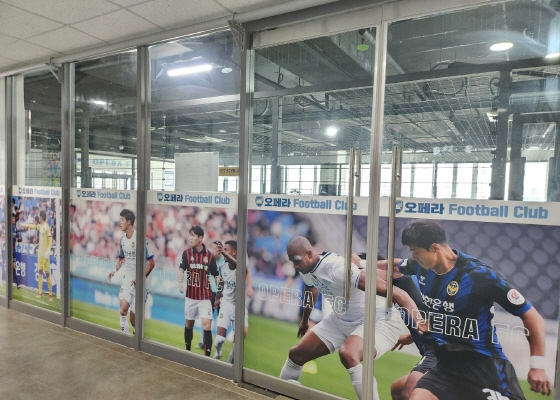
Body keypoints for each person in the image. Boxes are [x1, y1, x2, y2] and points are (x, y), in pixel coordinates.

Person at [380, 219, 551, 400]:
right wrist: (362, 264)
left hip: (483, 366)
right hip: (447, 366)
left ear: (435, 247)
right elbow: (396, 265)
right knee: (411, 395)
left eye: (415, 252)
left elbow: (531, 315)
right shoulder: (421, 267)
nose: (413, 257)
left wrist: (537, 365)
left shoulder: (480, 276)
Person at [279, 236, 420, 400]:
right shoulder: (306, 268)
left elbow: (396, 292)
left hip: (378, 321)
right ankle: (280, 394)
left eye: (296, 261)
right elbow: (312, 290)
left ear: (309, 254)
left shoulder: (338, 269)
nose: (295, 266)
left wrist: (419, 320)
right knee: (296, 354)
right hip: (340, 320)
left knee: (348, 353)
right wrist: (305, 320)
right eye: (292, 262)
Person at [108, 209, 155, 334]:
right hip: (128, 278)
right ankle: (124, 338)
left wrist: (141, 278)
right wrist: (114, 270)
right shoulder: (122, 240)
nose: (120, 222)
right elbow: (121, 258)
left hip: (141, 282)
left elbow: (151, 263)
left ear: (129, 222)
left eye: (122, 220)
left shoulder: (140, 239)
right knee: (123, 310)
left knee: (134, 320)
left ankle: (137, 335)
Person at [178, 226, 219, 356]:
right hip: (190, 296)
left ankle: (207, 357)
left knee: (207, 324)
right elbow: (181, 269)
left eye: (193, 236)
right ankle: (188, 350)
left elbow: (216, 274)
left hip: (205, 296)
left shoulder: (209, 256)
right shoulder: (186, 253)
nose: (190, 238)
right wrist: (180, 283)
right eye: (190, 235)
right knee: (189, 323)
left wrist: (219, 288)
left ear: (200, 238)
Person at [213, 240, 253, 363]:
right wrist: (217, 297)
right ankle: (218, 353)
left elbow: (241, 268)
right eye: (223, 249)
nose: (223, 252)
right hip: (226, 304)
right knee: (219, 339)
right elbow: (221, 284)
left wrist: (249, 286)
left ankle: (231, 357)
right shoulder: (222, 268)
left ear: (234, 252)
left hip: (239, 307)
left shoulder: (240, 266)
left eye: (226, 250)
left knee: (241, 336)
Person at [21, 211, 52, 300]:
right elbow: (32, 226)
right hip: (40, 254)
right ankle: (40, 293)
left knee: (47, 274)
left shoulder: (47, 227)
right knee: (40, 272)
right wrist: (24, 224)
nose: (38, 217)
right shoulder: (40, 226)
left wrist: (48, 251)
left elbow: (50, 240)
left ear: (41, 217)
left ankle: (50, 294)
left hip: (45, 254)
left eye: (39, 216)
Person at [11, 213, 21, 289]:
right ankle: (17, 283)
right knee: (12, 266)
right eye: (12, 218)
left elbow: (16, 239)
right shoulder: (8, 228)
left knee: (13, 266)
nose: (14, 220)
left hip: (13, 251)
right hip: (9, 251)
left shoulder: (15, 228)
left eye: (14, 218)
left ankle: (16, 283)